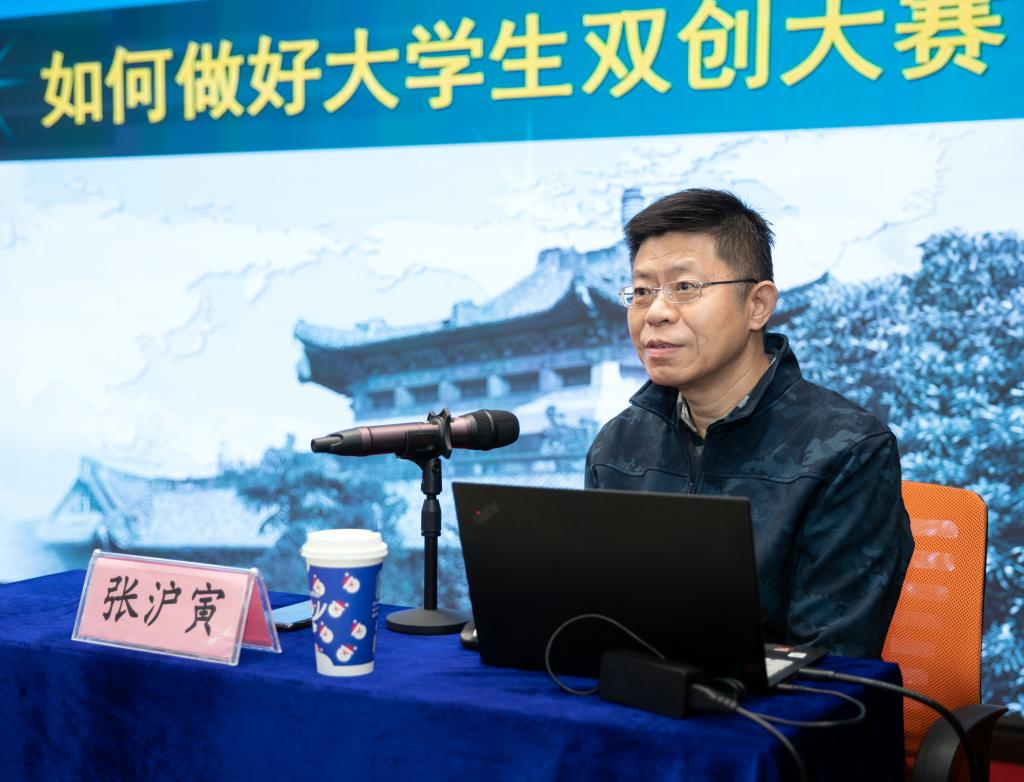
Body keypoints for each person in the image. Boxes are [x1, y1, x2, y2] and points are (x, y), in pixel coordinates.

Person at [585, 188, 914, 658]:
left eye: (685, 287)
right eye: (641, 292)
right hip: (634, 692)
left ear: (757, 305)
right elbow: (599, 620)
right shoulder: (619, 444)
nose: (655, 313)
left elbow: (830, 664)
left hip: (773, 702)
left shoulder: (847, 450)